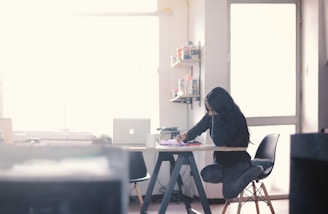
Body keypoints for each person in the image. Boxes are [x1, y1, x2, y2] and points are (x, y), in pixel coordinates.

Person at [176, 87, 265, 199]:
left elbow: (220, 141)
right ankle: (233, 177)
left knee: (229, 193)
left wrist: (215, 118)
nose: (209, 113)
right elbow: (199, 128)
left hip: (238, 163)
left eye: (212, 109)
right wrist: (185, 136)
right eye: (208, 109)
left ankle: (255, 170)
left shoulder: (236, 118)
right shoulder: (212, 114)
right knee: (206, 174)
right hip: (222, 163)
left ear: (221, 107)